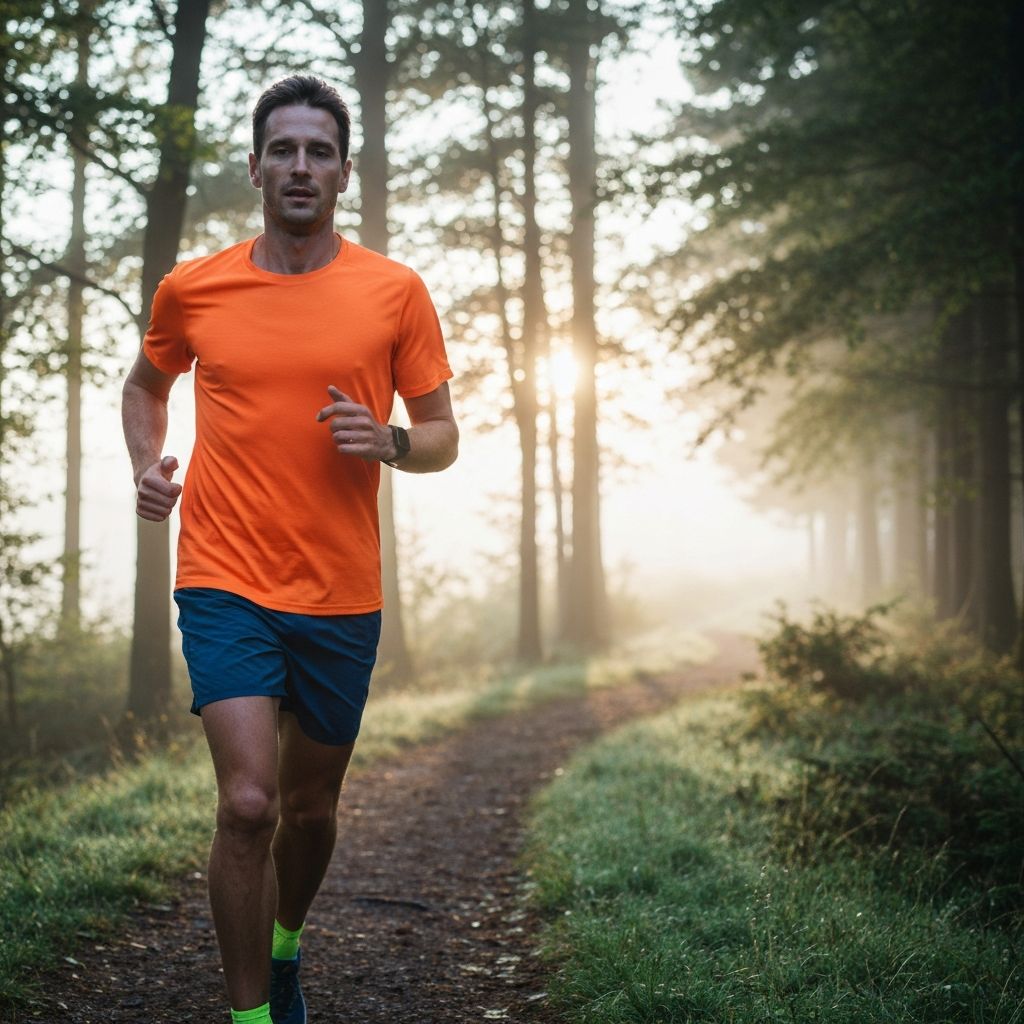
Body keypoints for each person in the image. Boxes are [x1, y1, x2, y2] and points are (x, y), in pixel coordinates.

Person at [121, 75, 458, 1024]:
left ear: (344, 173)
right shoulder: (196, 287)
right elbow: (143, 388)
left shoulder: (394, 292)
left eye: (318, 151)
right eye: (283, 149)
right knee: (249, 804)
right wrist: (150, 465)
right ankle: (252, 1015)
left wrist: (390, 441)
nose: (299, 166)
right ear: (256, 165)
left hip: (341, 592)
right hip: (223, 577)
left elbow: (442, 436)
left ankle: (287, 942)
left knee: (308, 813)